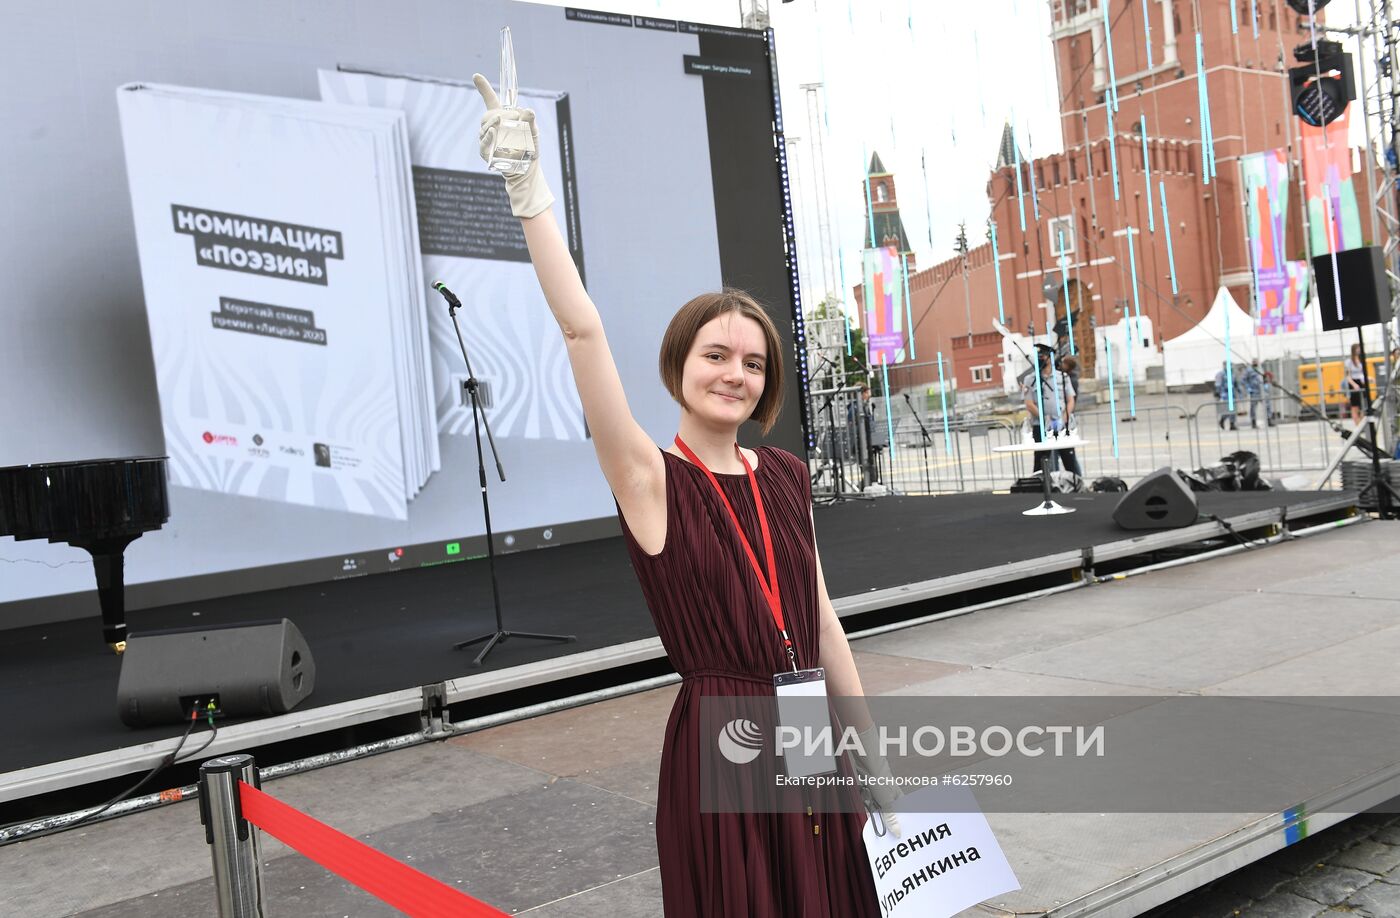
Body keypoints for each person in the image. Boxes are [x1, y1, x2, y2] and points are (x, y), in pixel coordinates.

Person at [471, 76, 890, 915]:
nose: (735, 374)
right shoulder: (648, 477)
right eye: (715, 355)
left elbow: (820, 616)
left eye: (754, 362)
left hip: (809, 725)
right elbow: (581, 330)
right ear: (679, 364)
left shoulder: (785, 477)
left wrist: (871, 747)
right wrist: (530, 195)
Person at [1023, 344, 1081, 477]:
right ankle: (1039, 488)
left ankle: (1076, 486)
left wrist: (1065, 416)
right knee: (1041, 460)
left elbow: (1070, 399)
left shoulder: (1062, 377)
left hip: (1061, 424)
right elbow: (1029, 403)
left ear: (1050, 358)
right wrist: (1044, 418)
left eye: (1043, 356)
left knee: (1069, 459)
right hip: (1041, 425)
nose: (1041, 359)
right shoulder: (1031, 379)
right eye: (1038, 356)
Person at [1343, 342, 1368, 427]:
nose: (1359, 350)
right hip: (1353, 384)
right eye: (1358, 348)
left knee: (1363, 405)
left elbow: (1362, 374)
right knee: (1355, 406)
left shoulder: (1361, 360)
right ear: (1354, 350)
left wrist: (1368, 378)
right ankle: (1357, 425)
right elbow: (1348, 376)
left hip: (1361, 383)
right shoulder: (1348, 362)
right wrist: (1354, 384)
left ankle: (1361, 424)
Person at [1243, 359, 1272, 428]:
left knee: (1267, 405)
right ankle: (1253, 422)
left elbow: (1264, 378)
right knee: (1253, 408)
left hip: (1262, 390)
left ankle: (1269, 420)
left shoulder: (1261, 369)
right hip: (1254, 391)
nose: (1255, 362)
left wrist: (1266, 385)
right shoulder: (1248, 370)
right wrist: (1248, 388)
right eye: (1254, 360)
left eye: (1256, 360)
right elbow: (1243, 380)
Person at [1214, 362, 1241, 431]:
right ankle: (1222, 420)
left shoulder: (1233, 374)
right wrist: (1217, 392)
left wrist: (1239, 390)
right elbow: (1218, 384)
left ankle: (1232, 424)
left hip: (1232, 394)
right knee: (1228, 409)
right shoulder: (1220, 374)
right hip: (1225, 394)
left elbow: (1236, 383)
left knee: (1233, 410)